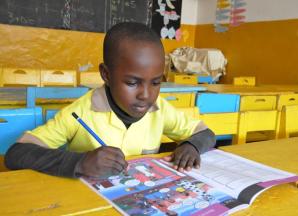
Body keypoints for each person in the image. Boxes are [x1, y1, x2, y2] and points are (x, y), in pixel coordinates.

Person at [4, 22, 215, 179]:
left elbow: (206, 134)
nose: (146, 95)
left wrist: (191, 145)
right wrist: (80, 162)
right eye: (132, 83)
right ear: (106, 74)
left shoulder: (160, 109)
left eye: (156, 82)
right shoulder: (81, 112)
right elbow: (16, 154)